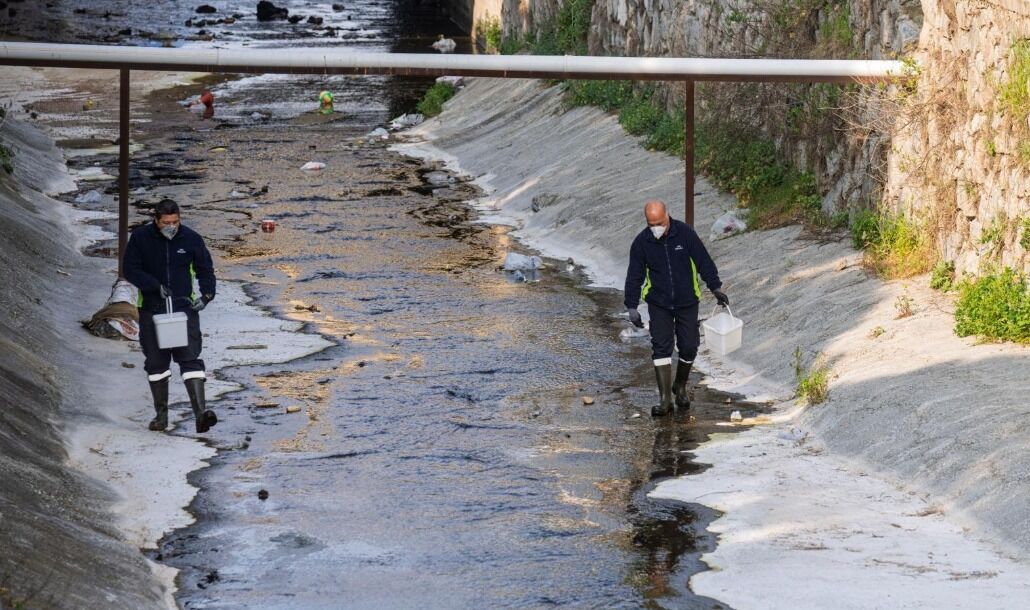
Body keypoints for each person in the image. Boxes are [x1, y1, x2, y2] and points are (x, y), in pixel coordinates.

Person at [624, 200, 728, 417]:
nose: (656, 228)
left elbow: (703, 261)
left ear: (667, 216)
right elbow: (635, 275)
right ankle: (665, 401)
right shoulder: (642, 242)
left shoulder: (685, 234)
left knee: (689, 346)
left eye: (659, 223)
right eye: (651, 224)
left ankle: (679, 386)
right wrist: (631, 306)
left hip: (687, 300)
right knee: (661, 347)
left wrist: (715, 287)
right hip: (658, 303)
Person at [124, 199, 218, 433]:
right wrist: (154, 286)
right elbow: (130, 269)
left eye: (175, 222)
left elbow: (205, 269)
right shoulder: (140, 238)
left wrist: (206, 296)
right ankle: (161, 417)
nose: (171, 227)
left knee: (190, 359)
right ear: (156, 220)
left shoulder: (191, 239)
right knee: (156, 364)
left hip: (183, 309)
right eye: (166, 223)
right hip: (151, 309)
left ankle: (201, 415)